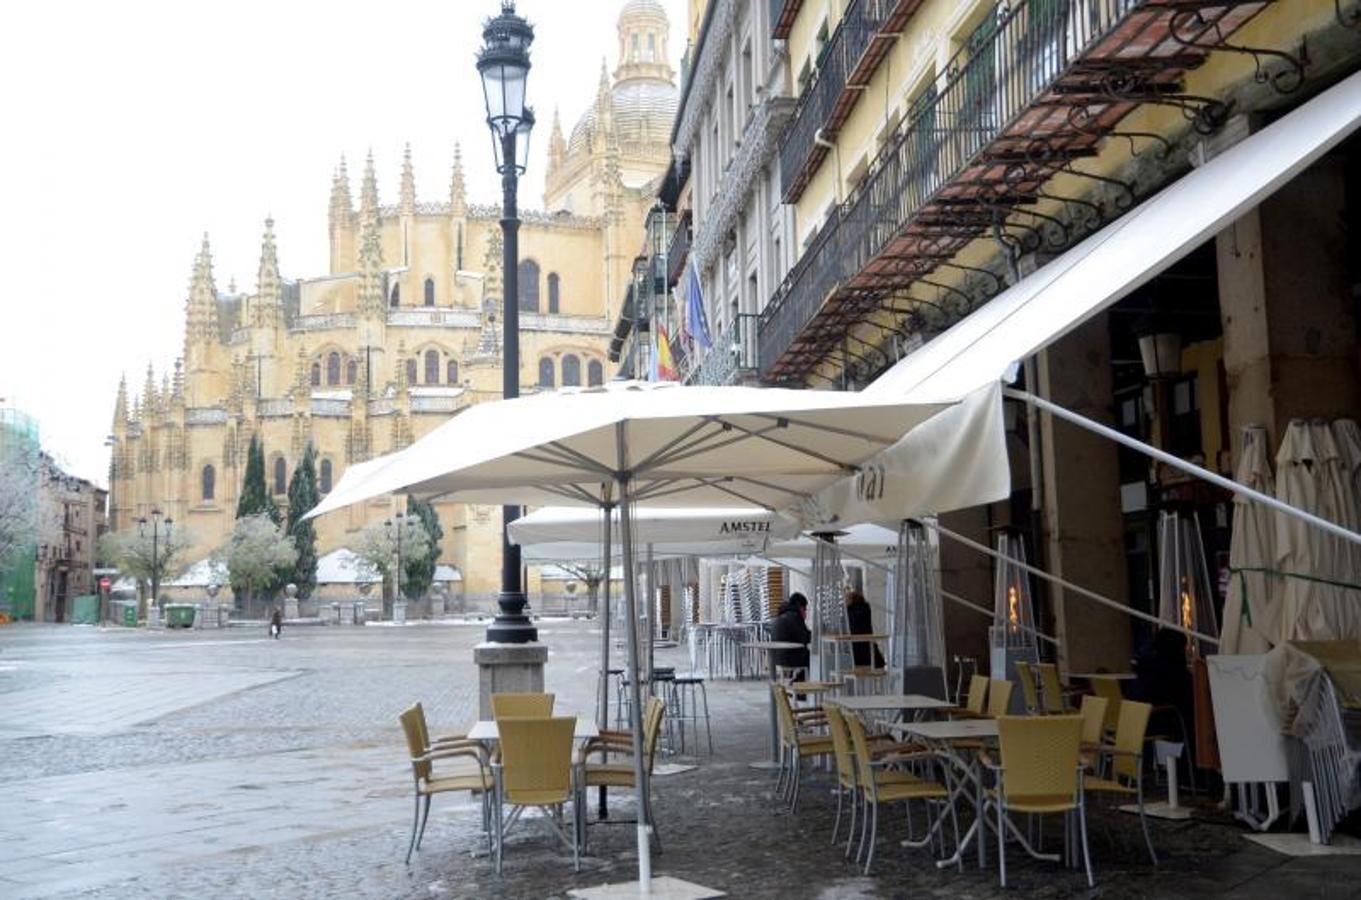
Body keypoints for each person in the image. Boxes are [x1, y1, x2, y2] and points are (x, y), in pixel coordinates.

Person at [769, 592, 811, 675]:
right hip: (790, 658)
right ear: (800, 606)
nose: (805, 612)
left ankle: (796, 680)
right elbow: (804, 638)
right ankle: (804, 683)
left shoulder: (781, 616)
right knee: (814, 658)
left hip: (777, 658)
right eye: (804, 609)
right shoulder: (795, 617)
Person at [844, 589, 885, 668]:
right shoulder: (865, 608)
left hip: (857, 652)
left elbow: (853, 628)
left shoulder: (850, 612)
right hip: (869, 651)